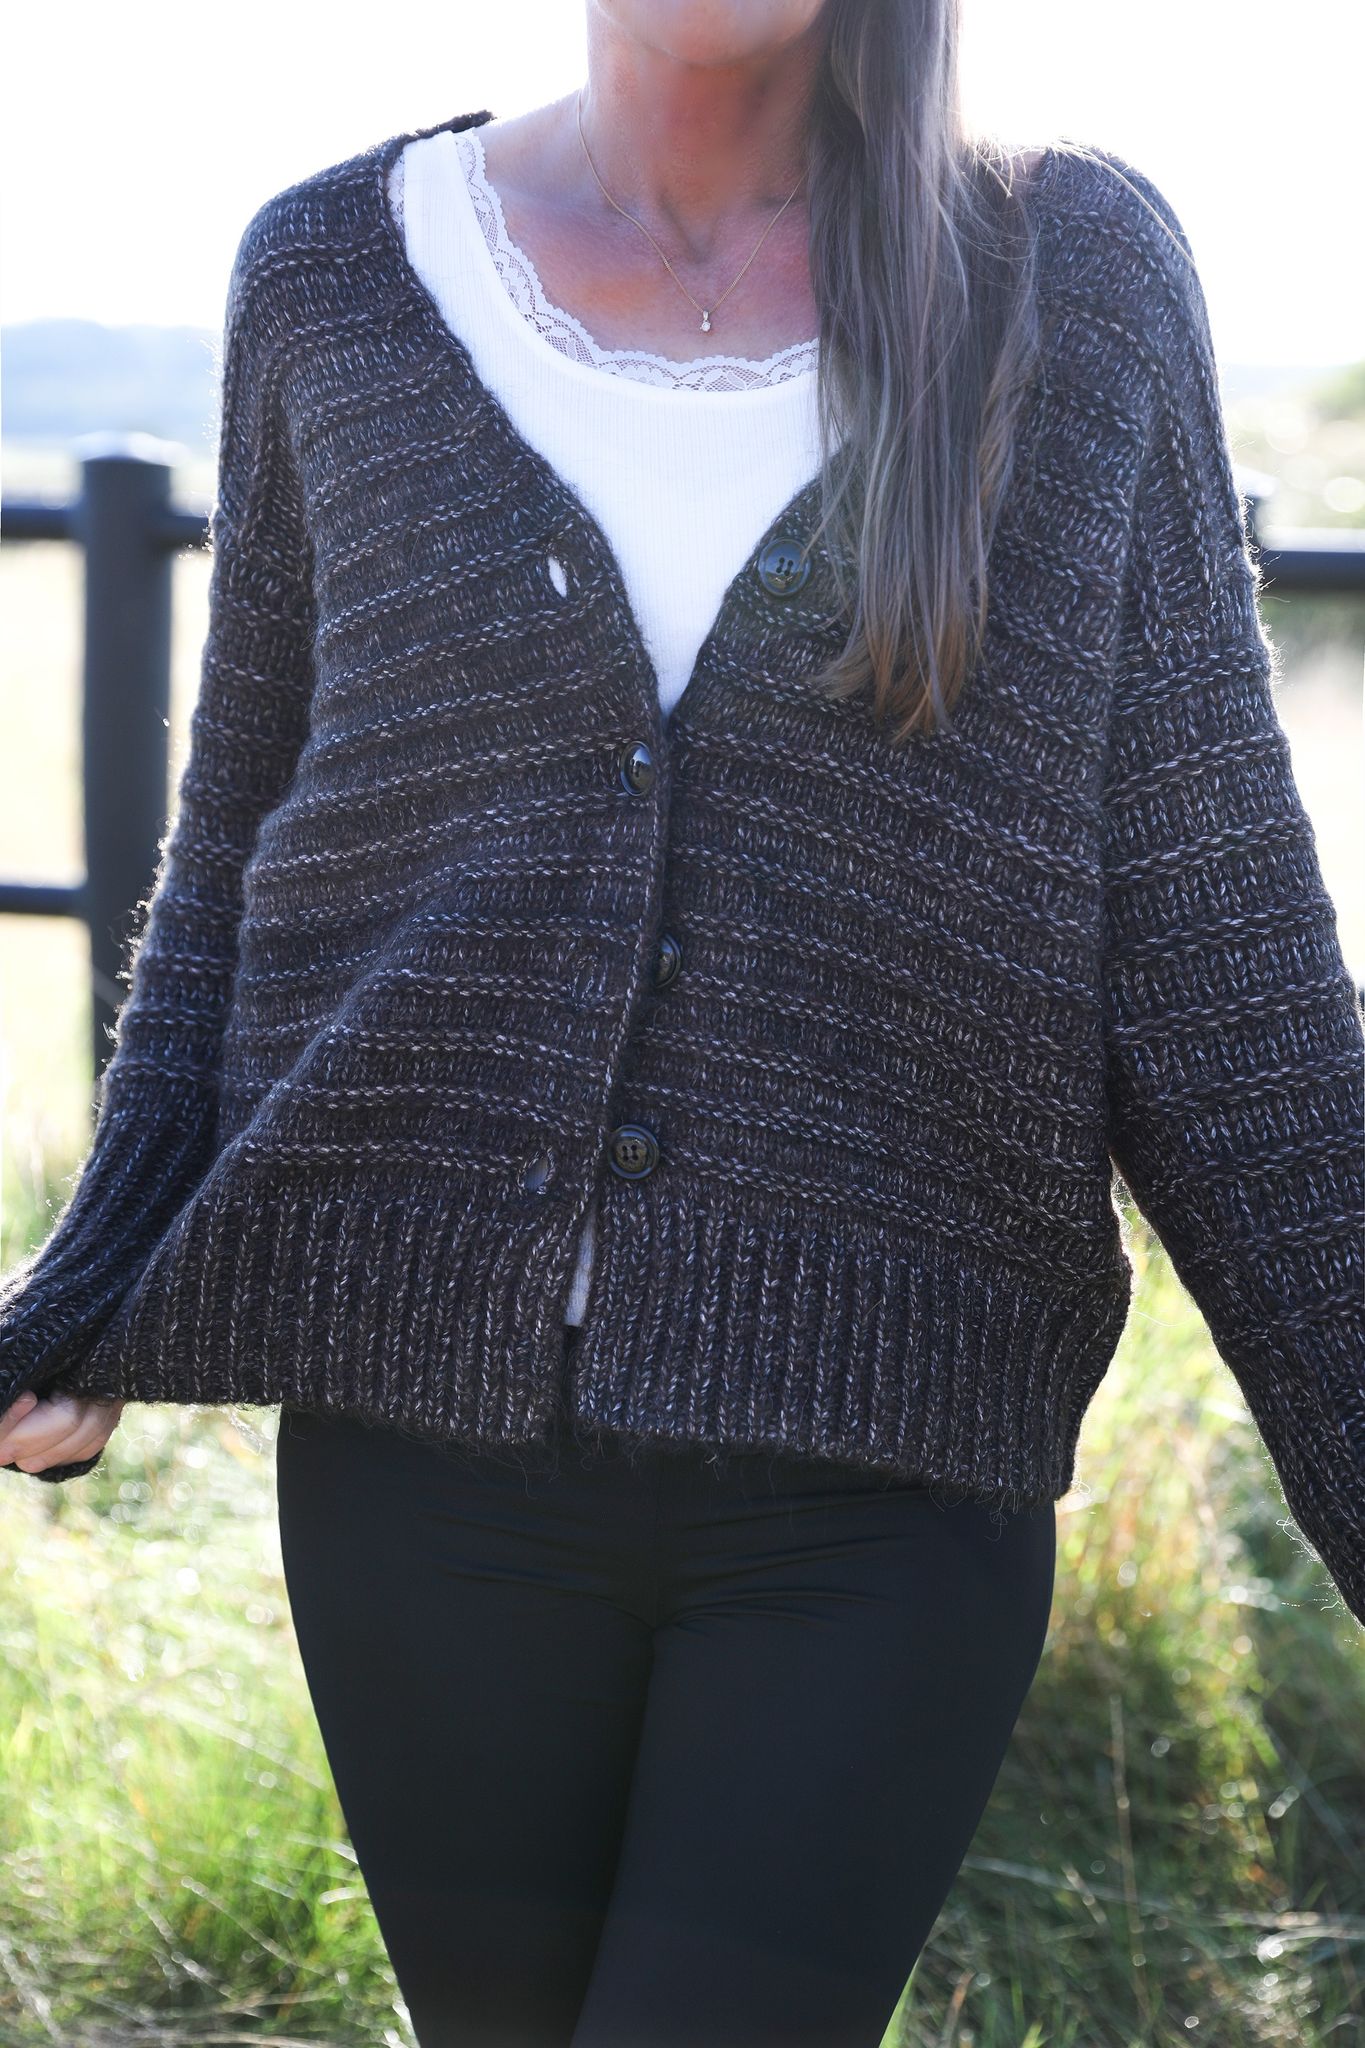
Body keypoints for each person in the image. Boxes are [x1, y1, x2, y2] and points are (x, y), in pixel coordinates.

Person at [2, 2, 1362, 2042]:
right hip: (420, 1476)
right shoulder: (332, 273)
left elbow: (1214, 947)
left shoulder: (1065, 271)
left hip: (875, 1483)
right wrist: (102, 1259)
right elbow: (248, 847)